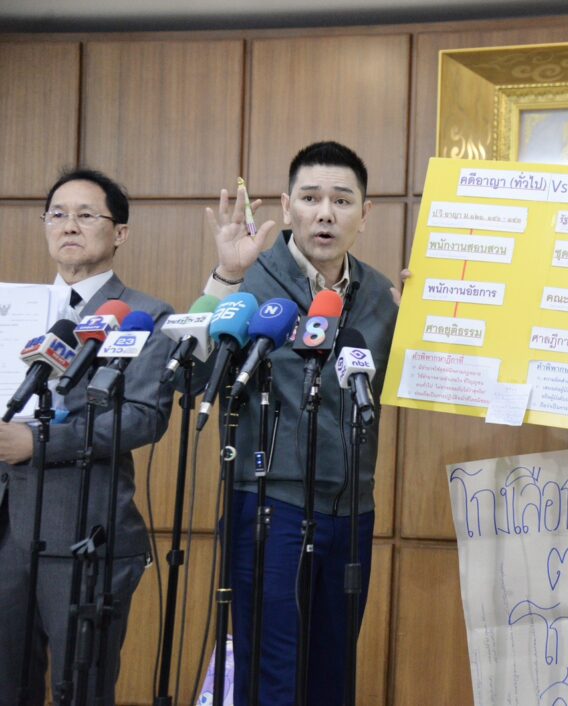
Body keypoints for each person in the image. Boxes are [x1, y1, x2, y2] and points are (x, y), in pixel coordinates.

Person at [199, 141, 398, 705]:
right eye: (310, 198)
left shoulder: (383, 296)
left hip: (352, 509)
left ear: (365, 213)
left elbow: (413, 387)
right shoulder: (250, 279)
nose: (325, 213)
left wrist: (429, 324)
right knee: (273, 678)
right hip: (270, 506)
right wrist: (224, 275)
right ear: (287, 208)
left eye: (342, 200)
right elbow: (193, 378)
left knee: (333, 679)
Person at [0, 169, 174, 705]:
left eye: (85, 215)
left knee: (81, 689)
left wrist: (39, 444)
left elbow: (143, 417)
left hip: (84, 530)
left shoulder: (145, 316)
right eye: (57, 214)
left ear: (119, 232)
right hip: (5, 529)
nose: (68, 225)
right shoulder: (13, 310)